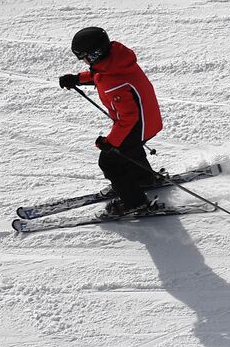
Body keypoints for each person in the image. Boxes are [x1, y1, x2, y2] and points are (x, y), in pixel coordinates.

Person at [59, 27, 164, 216]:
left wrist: (110, 142)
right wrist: (77, 79)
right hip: (148, 118)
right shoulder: (116, 60)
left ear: (94, 54)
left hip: (138, 125)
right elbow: (100, 75)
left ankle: (135, 203)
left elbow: (128, 118)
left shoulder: (114, 84)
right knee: (130, 150)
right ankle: (143, 179)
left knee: (111, 161)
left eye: (83, 57)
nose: (83, 61)